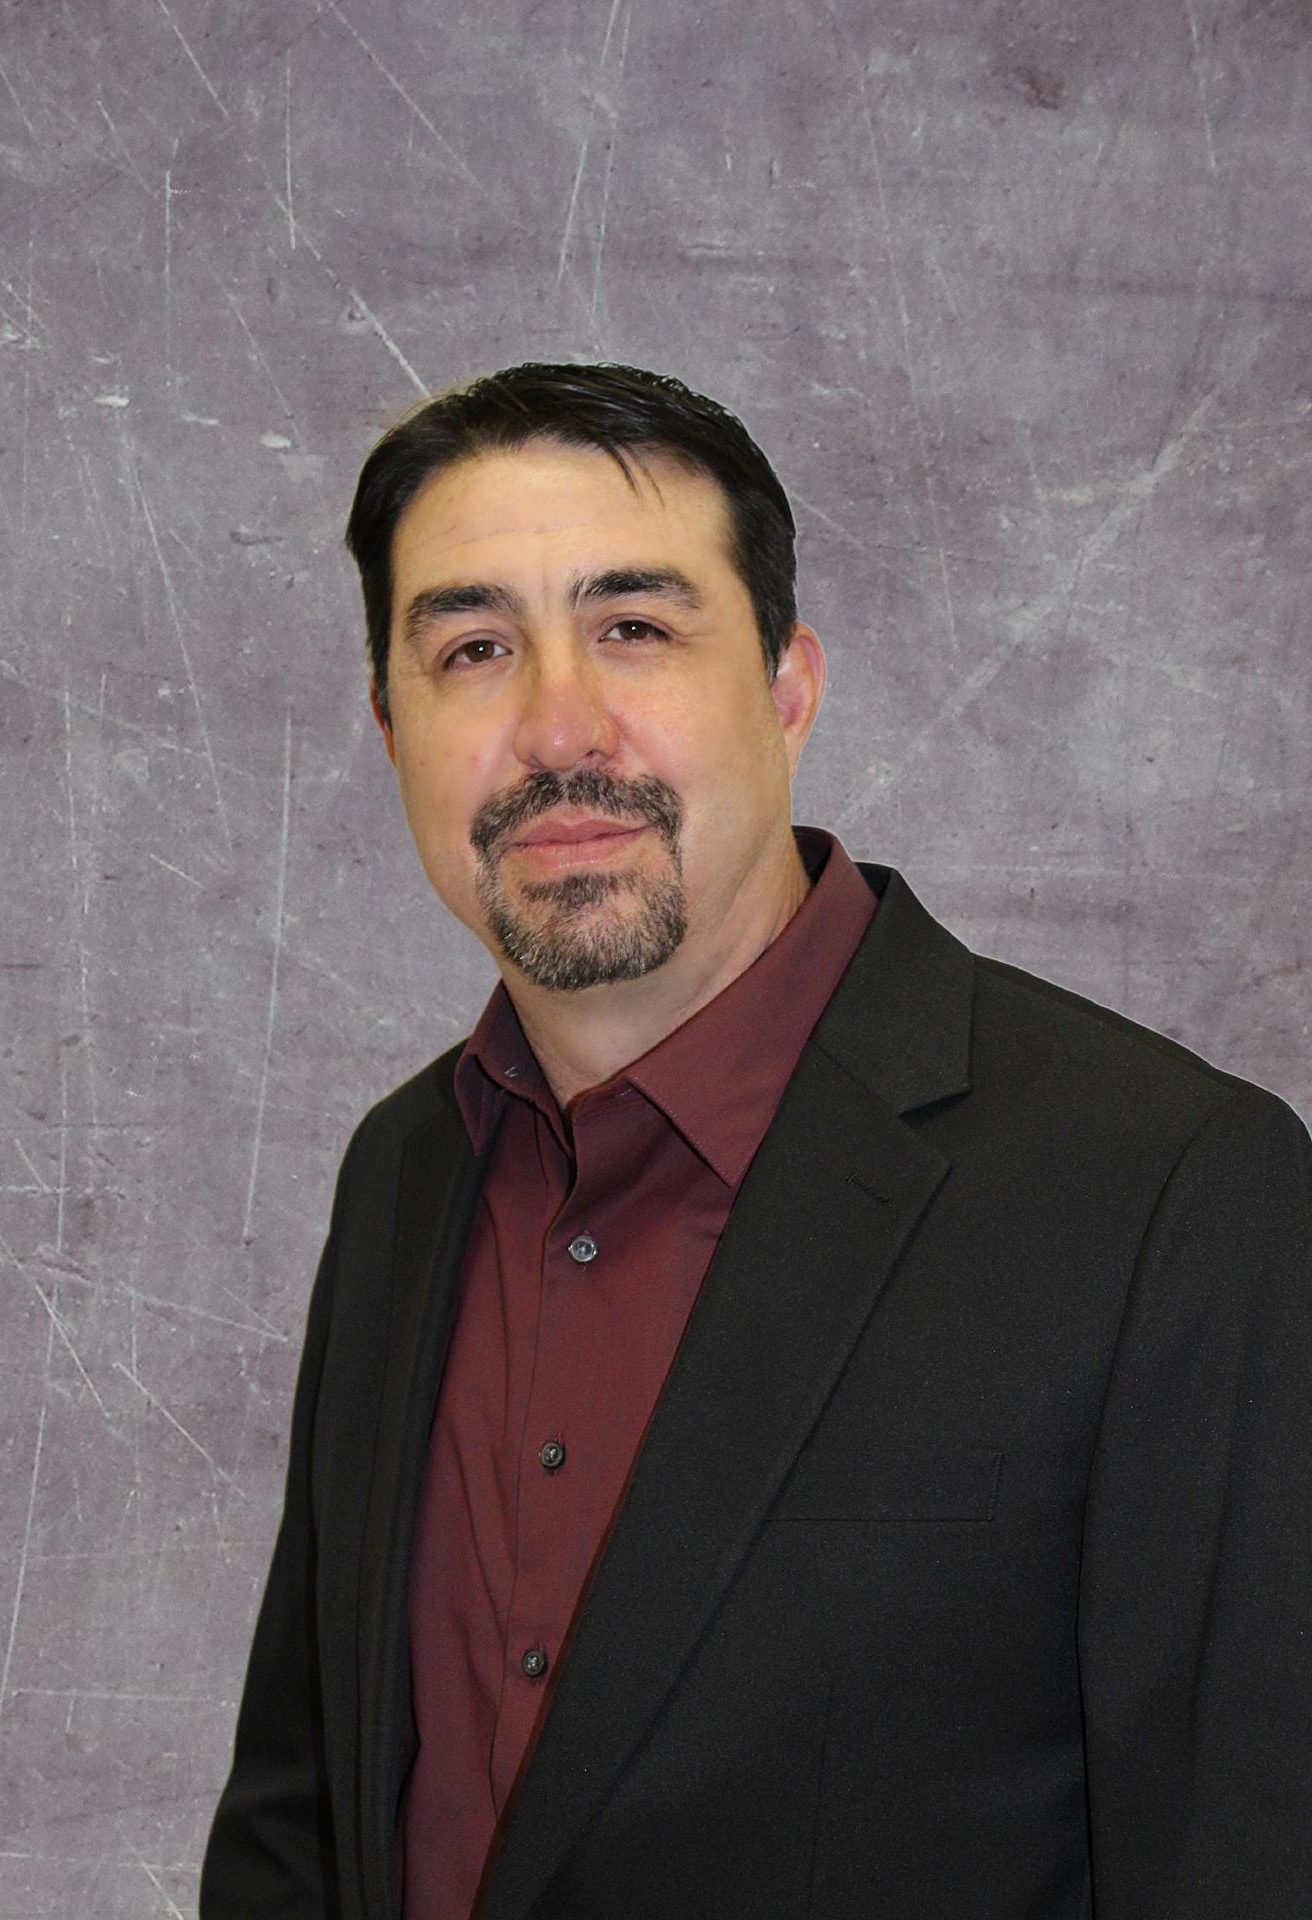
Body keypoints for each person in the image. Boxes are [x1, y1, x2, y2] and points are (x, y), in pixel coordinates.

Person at [200, 363, 1311, 1920]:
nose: (555, 725)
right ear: (391, 724)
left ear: (789, 686)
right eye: (472, 650)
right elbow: (299, 1823)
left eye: (636, 630)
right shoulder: (406, 1171)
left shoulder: (1169, 1193)